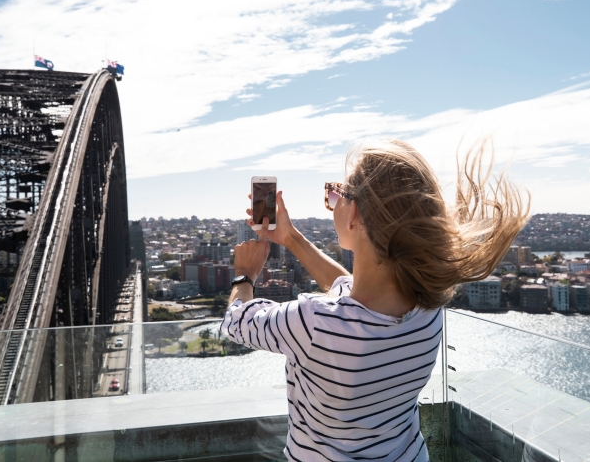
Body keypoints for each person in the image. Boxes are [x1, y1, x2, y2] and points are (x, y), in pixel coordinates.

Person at [221, 139, 529, 461]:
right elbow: (348, 291)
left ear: (353, 211)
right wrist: (291, 238)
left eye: (335, 193)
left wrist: (246, 273)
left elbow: (237, 321)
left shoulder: (312, 322)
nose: (332, 201)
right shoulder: (428, 308)